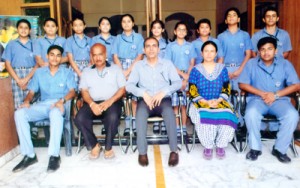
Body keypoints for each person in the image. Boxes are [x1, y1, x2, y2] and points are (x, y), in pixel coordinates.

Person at [12, 45, 76, 172]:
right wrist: (26, 101)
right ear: (47, 56)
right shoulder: (39, 72)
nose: (55, 58)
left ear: (61, 58)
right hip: (43, 104)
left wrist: (62, 101)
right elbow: (31, 92)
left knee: (55, 113)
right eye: (52, 54)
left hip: (58, 104)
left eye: (58, 55)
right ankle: (29, 155)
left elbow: (73, 92)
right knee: (19, 113)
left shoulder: (67, 72)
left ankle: (54, 156)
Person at [239, 37, 300, 163]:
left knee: (292, 115)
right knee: (250, 114)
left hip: (280, 100)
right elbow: (242, 84)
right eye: (263, 49)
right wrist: (262, 93)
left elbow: (296, 85)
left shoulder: (285, 64)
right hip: (257, 100)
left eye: (270, 49)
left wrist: (275, 95)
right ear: (258, 52)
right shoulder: (251, 64)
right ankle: (255, 148)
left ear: (276, 51)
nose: (266, 52)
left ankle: (279, 149)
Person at [126, 37, 181, 167]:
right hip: (145, 100)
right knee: (139, 115)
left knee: (169, 113)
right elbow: (129, 85)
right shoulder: (139, 66)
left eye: (154, 46)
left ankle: (174, 150)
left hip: (163, 100)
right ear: (144, 49)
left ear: (158, 48)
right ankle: (142, 152)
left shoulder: (167, 64)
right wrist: (143, 93)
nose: (151, 49)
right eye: (148, 46)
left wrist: (164, 92)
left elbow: (178, 82)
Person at [74, 43, 126, 160]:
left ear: (105, 54)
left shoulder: (115, 69)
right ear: (91, 56)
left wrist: (109, 101)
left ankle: (108, 147)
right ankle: (94, 145)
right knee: (79, 118)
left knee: (112, 116)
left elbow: (122, 89)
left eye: (100, 54)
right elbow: (84, 91)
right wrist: (92, 104)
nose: (98, 58)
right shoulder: (86, 71)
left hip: (112, 102)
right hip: (92, 102)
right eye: (95, 55)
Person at [188, 41, 238, 160]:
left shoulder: (222, 69)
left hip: (221, 101)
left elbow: (226, 88)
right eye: (206, 51)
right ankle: (208, 146)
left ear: (216, 53)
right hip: (200, 102)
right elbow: (192, 90)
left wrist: (219, 100)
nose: (209, 54)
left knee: (228, 115)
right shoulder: (195, 70)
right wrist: (206, 102)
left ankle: (221, 145)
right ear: (202, 53)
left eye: (212, 51)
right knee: (203, 116)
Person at [112, 14, 144, 136]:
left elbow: (140, 55)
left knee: (134, 97)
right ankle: (127, 125)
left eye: (129, 21)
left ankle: (134, 125)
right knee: (124, 96)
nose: (126, 24)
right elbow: (115, 55)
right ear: (121, 24)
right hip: (120, 67)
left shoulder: (139, 37)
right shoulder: (118, 38)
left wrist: (129, 71)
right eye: (124, 22)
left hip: (135, 67)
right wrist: (122, 72)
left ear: (133, 23)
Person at [165, 21, 196, 136]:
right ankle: (176, 127)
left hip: (187, 76)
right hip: (174, 76)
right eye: (179, 29)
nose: (181, 32)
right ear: (174, 31)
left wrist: (186, 78)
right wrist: (181, 77)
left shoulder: (190, 46)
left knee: (184, 104)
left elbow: (192, 62)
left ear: (186, 32)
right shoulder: (170, 46)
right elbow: (169, 63)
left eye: (184, 30)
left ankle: (183, 126)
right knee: (175, 104)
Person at [2, 19, 37, 110]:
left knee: (33, 103)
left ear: (30, 30)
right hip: (16, 75)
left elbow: (38, 64)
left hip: (32, 75)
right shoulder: (11, 44)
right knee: (18, 106)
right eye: (21, 27)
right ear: (17, 29)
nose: (23, 30)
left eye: (26, 28)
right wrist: (18, 80)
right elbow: (7, 64)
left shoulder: (35, 44)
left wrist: (27, 78)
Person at [217, 7, 252, 91]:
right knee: (225, 96)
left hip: (241, 68)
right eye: (229, 16)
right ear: (226, 21)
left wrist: (240, 70)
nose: (231, 17)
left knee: (240, 97)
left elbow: (248, 54)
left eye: (234, 15)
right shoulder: (220, 37)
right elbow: (220, 57)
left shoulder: (245, 35)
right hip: (225, 69)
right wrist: (224, 71)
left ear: (238, 19)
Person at [149, 19, 169, 135]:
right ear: (151, 30)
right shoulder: (147, 42)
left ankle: (165, 122)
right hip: (151, 71)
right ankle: (156, 123)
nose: (156, 30)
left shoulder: (167, 44)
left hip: (163, 73)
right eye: (154, 27)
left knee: (163, 96)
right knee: (152, 94)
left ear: (162, 30)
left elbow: (168, 60)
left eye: (158, 27)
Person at [65, 17, 91, 87]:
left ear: (84, 26)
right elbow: (70, 59)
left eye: (80, 25)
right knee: (74, 88)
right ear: (72, 27)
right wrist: (79, 73)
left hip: (88, 66)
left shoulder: (90, 40)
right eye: (75, 25)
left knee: (87, 88)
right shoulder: (69, 40)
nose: (78, 27)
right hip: (74, 67)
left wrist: (87, 69)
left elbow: (92, 56)